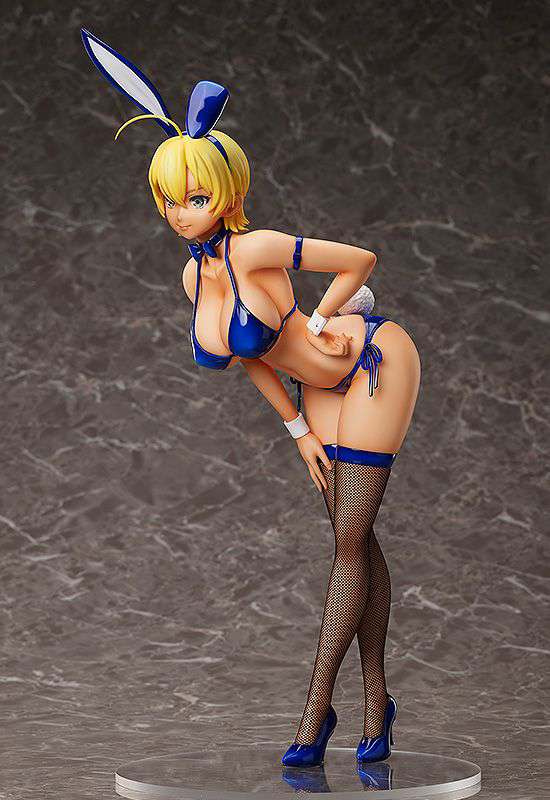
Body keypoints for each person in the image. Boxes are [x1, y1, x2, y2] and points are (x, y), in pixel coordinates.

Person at [81, 28, 422, 768]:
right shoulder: (192, 277)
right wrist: (298, 430)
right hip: (315, 393)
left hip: (369, 362)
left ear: (228, 192)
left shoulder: (257, 247)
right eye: (170, 199)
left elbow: (359, 260)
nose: (182, 212)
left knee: (349, 543)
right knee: (356, 542)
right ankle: (378, 700)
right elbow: (254, 359)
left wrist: (325, 316)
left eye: (196, 197)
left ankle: (315, 710)